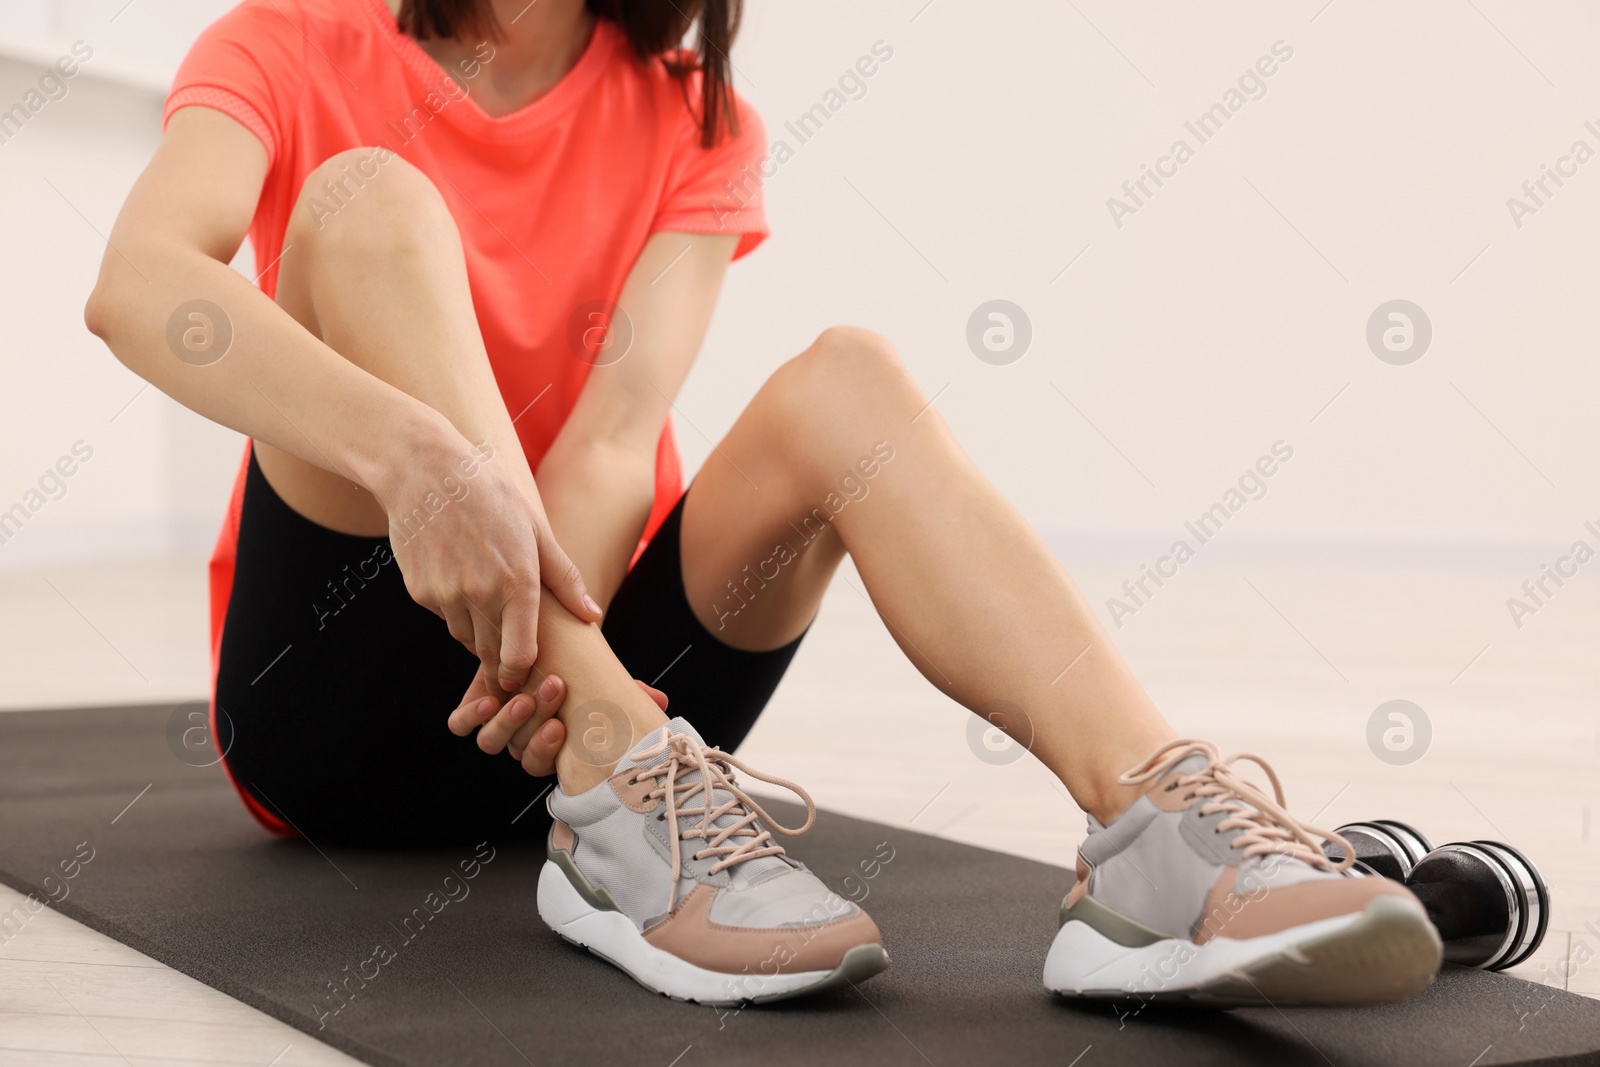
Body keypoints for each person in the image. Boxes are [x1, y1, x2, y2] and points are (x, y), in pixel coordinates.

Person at [85, 0, 1442, 1008]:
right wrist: (424, 463)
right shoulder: (290, 39)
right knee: (365, 197)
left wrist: (554, 648)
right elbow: (138, 284)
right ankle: (615, 780)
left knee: (847, 380)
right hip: (343, 701)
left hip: (605, 682)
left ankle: (1160, 838)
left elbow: (617, 442)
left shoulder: (693, 116)